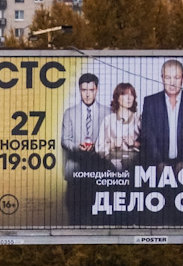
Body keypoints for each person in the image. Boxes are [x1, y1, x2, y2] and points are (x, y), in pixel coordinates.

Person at [138, 59, 183, 170]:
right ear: (162, 78)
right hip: (156, 166)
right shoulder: (150, 102)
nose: (172, 83)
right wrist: (159, 162)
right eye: (168, 77)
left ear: (182, 79)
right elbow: (148, 135)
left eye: (176, 78)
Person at [60, 72, 104, 225]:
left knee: (97, 217)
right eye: (84, 90)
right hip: (76, 171)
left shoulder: (107, 113)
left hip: (99, 171)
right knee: (75, 217)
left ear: (96, 89)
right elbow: (65, 140)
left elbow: (110, 140)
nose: (87, 94)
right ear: (79, 90)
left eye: (91, 90)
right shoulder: (70, 113)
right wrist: (76, 147)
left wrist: (97, 147)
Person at [96, 82, 142, 172]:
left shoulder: (139, 119)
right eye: (124, 94)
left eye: (131, 95)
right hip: (112, 164)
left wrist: (134, 143)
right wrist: (113, 145)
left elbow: (149, 146)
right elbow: (99, 148)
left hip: (135, 163)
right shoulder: (108, 120)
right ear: (117, 97)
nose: (128, 98)